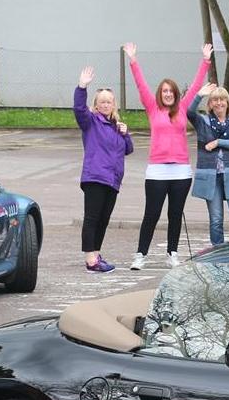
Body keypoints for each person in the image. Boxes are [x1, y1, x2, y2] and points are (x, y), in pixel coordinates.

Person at [124, 41, 211, 269]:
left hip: (181, 170)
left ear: (176, 94)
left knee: (175, 214)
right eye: (164, 91)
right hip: (157, 170)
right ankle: (140, 254)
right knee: (151, 214)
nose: (168, 94)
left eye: (171, 91)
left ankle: (172, 253)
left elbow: (195, 86)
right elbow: (141, 85)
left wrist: (205, 61)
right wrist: (133, 61)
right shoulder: (152, 108)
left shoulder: (182, 108)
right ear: (159, 95)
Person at [73, 66, 133, 273]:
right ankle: (91, 259)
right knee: (92, 218)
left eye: (109, 101)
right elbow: (79, 109)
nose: (106, 104)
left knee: (103, 220)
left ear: (113, 104)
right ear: (96, 105)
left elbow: (128, 150)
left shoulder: (116, 125)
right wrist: (82, 86)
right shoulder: (90, 122)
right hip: (96, 177)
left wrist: (126, 134)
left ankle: (96, 254)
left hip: (112, 180)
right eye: (102, 102)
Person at [188, 83, 229, 245]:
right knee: (216, 220)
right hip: (211, 177)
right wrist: (199, 95)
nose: (219, 103)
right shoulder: (204, 122)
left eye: (222, 99)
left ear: (228, 103)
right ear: (210, 104)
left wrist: (218, 142)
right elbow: (188, 112)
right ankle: (218, 254)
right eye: (215, 100)